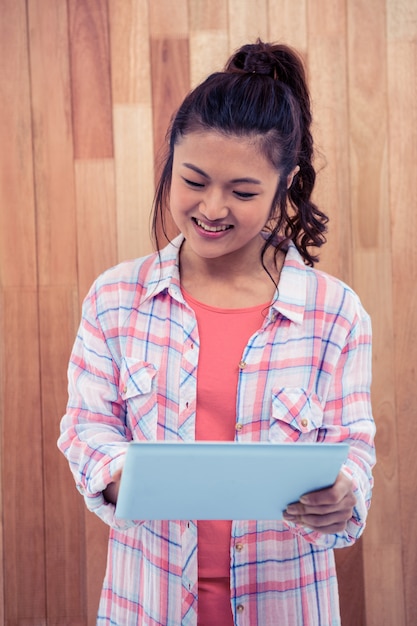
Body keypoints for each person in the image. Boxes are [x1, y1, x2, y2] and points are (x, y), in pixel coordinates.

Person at [58, 40, 375, 626]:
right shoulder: (114, 299)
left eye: (244, 191)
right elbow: (85, 427)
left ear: (286, 184)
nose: (212, 207)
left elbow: (354, 444)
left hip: (286, 605)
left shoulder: (337, 313)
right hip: (146, 604)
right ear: (170, 166)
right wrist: (124, 475)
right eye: (193, 180)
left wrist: (346, 489)